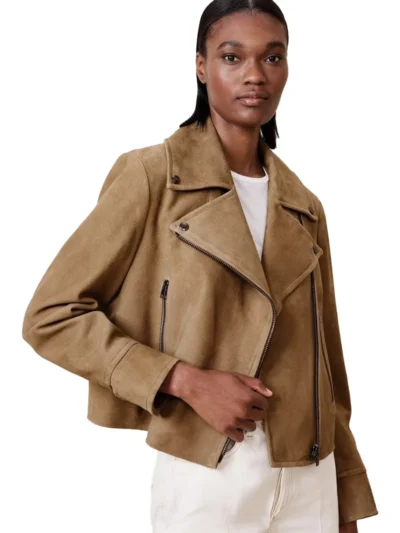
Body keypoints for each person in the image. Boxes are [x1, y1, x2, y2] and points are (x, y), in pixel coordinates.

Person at [22, 1, 378, 532]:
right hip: (208, 474)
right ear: (201, 66)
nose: (255, 75)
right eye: (232, 57)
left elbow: (329, 367)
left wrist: (346, 498)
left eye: (272, 57)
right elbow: (51, 316)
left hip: (312, 479)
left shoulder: (304, 206)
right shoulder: (152, 177)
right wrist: (182, 381)